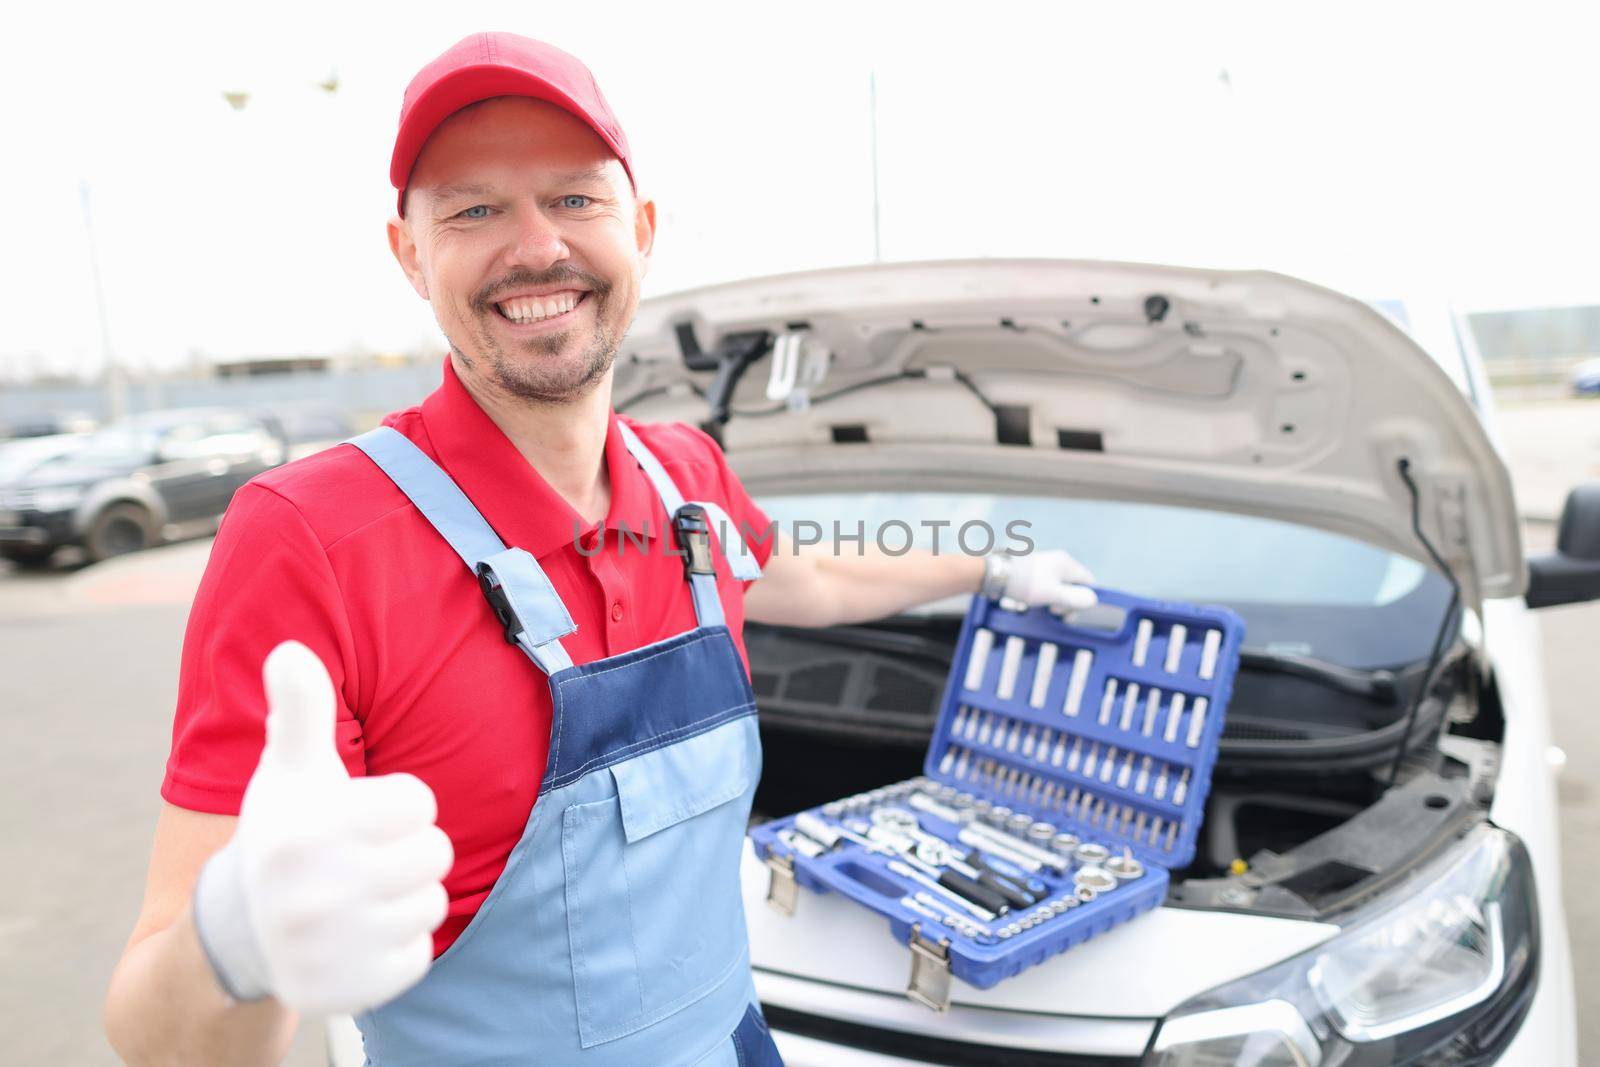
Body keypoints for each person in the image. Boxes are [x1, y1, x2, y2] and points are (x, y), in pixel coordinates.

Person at [103, 32, 1096, 1067]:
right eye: (474, 208)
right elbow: (155, 1030)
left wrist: (990, 564)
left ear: (642, 228)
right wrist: (235, 947)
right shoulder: (309, 534)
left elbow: (815, 571)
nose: (536, 246)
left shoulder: (687, 480)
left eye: (575, 198)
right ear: (410, 254)